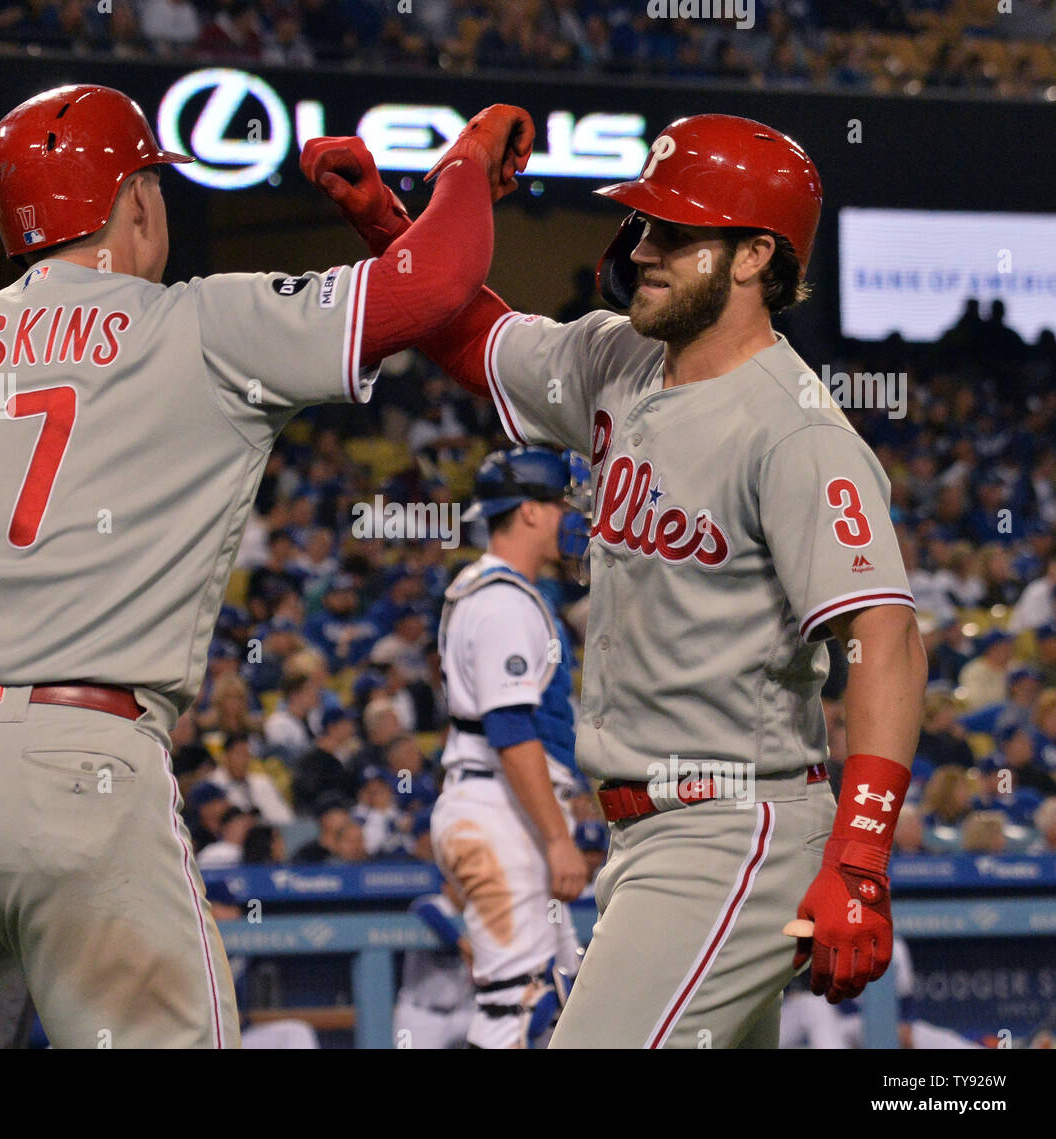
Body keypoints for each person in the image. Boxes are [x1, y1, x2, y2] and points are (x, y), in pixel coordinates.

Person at [0, 86, 525, 1049]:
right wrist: (463, 167)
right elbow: (433, 288)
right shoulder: (202, 327)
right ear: (134, 199)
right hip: (81, 763)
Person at [301, 112, 926, 1047]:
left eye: (675, 232)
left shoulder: (797, 433)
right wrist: (390, 225)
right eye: (642, 223)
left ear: (756, 256)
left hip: (732, 828)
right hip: (642, 832)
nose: (643, 248)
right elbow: (478, 340)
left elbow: (886, 639)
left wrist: (864, 857)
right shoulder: (621, 359)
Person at [429, 446, 591, 1048]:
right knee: (514, 1007)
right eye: (559, 504)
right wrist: (556, 838)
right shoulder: (502, 600)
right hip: (498, 810)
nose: (571, 518)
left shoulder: (492, 588)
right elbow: (510, 730)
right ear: (527, 511)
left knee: (553, 996)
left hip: (497, 805)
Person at [392, 881, 475, 1049]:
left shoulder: (477, 911)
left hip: (464, 1013)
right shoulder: (433, 904)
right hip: (421, 1016)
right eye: (458, 886)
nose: (464, 892)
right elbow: (425, 910)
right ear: (446, 887)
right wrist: (460, 944)